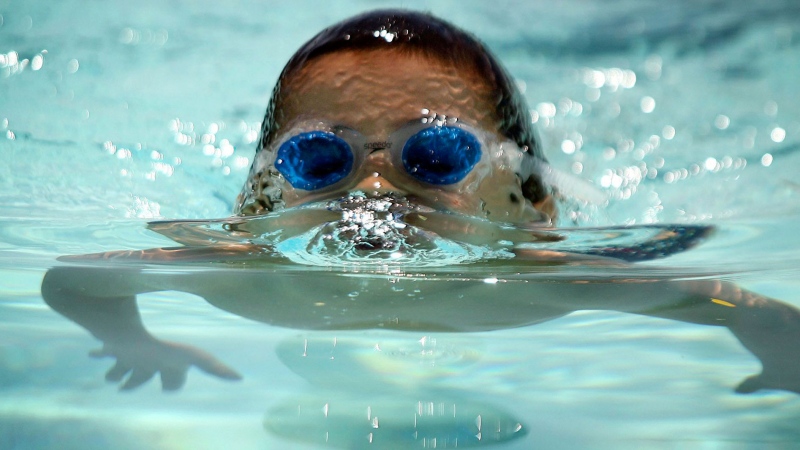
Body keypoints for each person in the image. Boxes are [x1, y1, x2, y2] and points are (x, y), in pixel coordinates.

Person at [42, 10, 800, 394]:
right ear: (258, 197)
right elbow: (78, 276)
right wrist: (136, 343)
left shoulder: (554, 272)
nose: (373, 190)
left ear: (531, 202)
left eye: (433, 157)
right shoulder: (240, 266)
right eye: (319, 159)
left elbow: (739, 305)